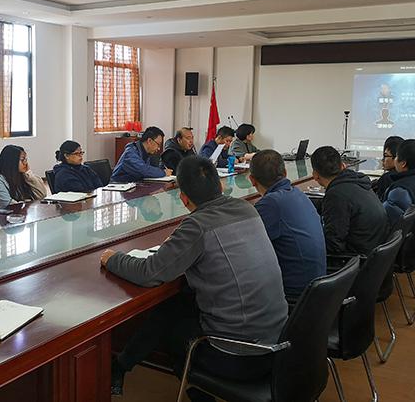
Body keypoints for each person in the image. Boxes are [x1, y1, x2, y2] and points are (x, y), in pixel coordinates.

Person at [102, 156, 287, 402]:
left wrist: (112, 258)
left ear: (183, 198)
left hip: (240, 355)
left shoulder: (197, 226)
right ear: (220, 185)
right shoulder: (247, 209)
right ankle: (120, 366)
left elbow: (150, 273)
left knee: (173, 331)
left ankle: (198, 393)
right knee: (173, 305)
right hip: (279, 343)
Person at [249, 150, 326, 300]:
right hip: (316, 287)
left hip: (294, 294)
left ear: (252, 180)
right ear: (285, 173)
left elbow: (247, 251)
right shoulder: (297, 193)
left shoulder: (270, 204)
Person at [311, 146, 388, 256]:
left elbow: (333, 245)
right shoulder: (357, 182)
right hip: (374, 253)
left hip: (354, 259)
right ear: (343, 166)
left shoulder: (336, 195)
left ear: (315, 175)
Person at [372, 136, 404, 200]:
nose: (383, 159)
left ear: (396, 158)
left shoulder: (387, 178)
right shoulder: (409, 176)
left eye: (386, 155)